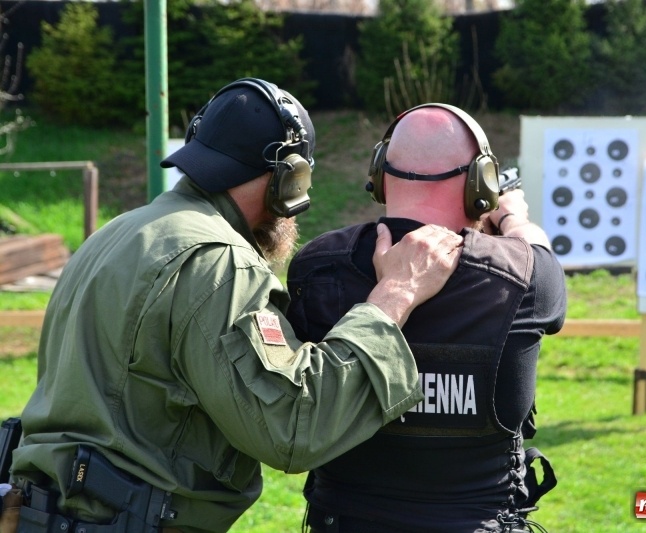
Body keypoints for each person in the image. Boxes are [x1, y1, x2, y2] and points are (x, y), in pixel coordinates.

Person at [3, 79, 465, 533]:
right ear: (292, 176)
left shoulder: (117, 232)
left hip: (52, 512)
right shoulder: (219, 262)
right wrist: (395, 295)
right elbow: (292, 426)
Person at [286, 103, 568, 533]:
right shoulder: (524, 275)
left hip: (343, 522)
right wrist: (512, 217)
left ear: (380, 174)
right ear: (482, 184)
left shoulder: (315, 267)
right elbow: (541, 257)